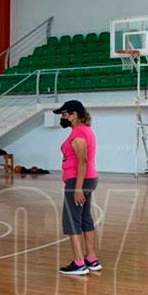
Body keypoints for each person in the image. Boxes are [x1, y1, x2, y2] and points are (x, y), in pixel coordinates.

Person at [54, 100, 101, 275]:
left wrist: (78, 187)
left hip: (78, 181)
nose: (62, 117)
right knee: (84, 218)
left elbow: (83, 160)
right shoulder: (84, 130)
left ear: (73, 114)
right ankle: (92, 259)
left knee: (72, 220)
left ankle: (79, 262)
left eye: (64, 114)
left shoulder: (79, 133)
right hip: (87, 179)